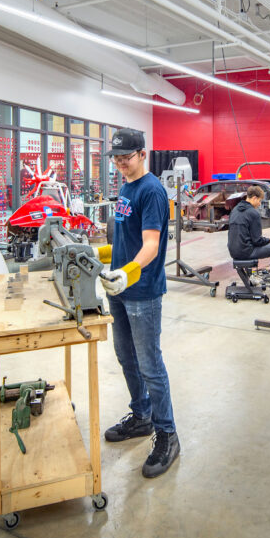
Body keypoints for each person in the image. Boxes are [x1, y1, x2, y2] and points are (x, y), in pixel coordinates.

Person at [98, 128, 180, 479]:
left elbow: (149, 246)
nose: (120, 163)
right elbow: (125, 241)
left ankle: (167, 434)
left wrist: (128, 272)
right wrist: (98, 255)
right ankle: (142, 415)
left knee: (150, 364)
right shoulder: (126, 186)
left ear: (142, 154)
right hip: (119, 288)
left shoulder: (151, 191)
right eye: (116, 158)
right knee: (126, 357)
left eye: (126, 157)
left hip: (142, 290)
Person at [227, 185, 270, 284]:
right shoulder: (253, 213)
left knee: (248, 242)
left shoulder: (235, 210)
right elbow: (257, 241)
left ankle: (251, 277)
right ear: (254, 198)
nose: (259, 204)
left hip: (233, 251)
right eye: (260, 201)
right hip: (246, 252)